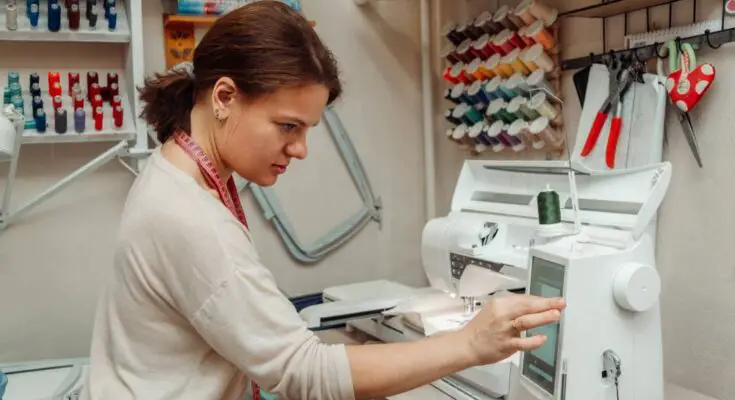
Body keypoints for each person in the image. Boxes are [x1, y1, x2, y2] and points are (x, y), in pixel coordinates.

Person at [81, 2, 566, 399]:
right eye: (288, 126)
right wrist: (470, 344)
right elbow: (303, 372)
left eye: (307, 130)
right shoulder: (189, 218)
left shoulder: (176, 169)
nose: (300, 149)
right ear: (225, 97)